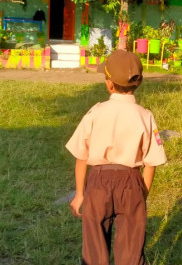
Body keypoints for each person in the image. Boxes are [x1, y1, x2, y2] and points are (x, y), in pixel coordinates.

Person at [66, 49, 167, 265]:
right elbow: (151, 163)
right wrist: (143, 193)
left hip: (98, 183)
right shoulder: (145, 116)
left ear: (109, 84)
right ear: (137, 84)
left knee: (94, 249)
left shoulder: (96, 112)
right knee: (131, 251)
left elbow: (81, 156)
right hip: (131, 182)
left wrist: (79, 194)